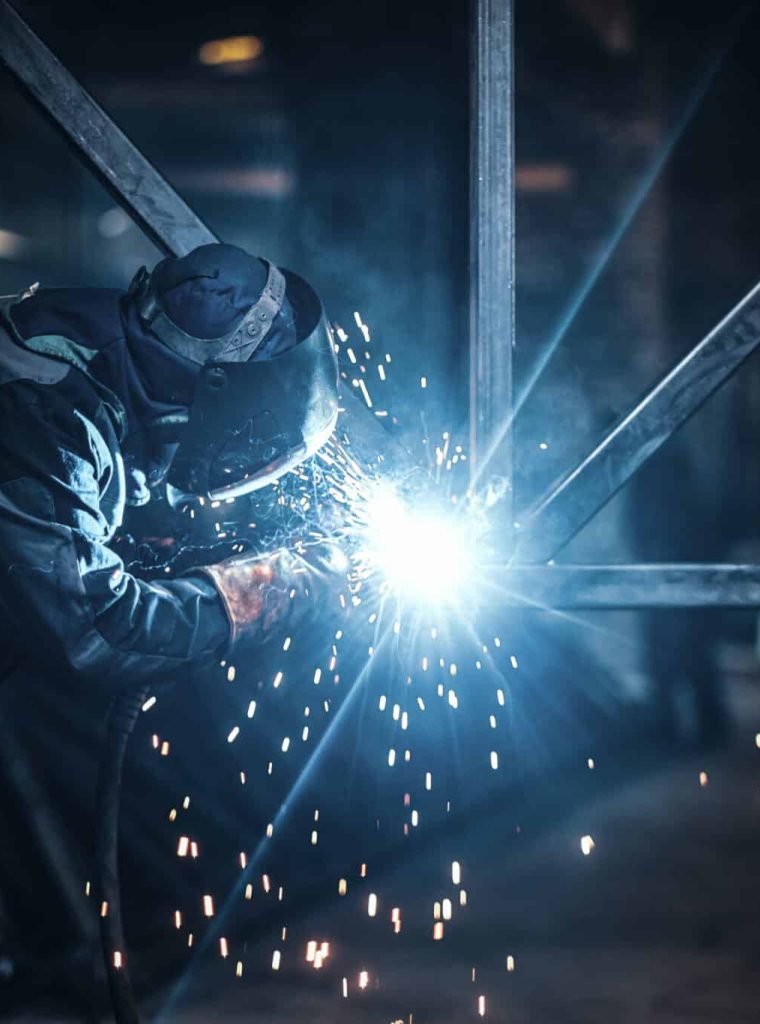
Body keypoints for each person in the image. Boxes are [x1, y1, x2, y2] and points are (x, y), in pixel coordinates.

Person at [0, 242, 340, 682]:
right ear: (218, 398)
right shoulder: (44, 411)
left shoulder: (85, 345)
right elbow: (95, 632)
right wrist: (264, 594)